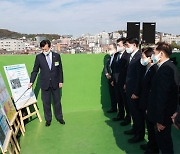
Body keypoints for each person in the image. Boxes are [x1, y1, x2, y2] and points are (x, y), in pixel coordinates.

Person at [147, 42, 179, 154]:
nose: (152, 55)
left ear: (161, 54)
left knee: (165, 144)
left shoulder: (166, 69)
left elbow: (163, 96)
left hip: (163, 117)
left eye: (154, 52)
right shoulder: (167, 67)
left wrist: (160, 120)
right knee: (163, 142)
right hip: (164, 115)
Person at [28, 40, 65, 127]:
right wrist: (31, 81)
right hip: (45, 84)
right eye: (42, 49)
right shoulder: (39, 57)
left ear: (49, 47)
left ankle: (60, 118)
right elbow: (35, 70)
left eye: (45, 49)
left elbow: (60, 70)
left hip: (55, 83)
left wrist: (61, 81)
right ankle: (48, 119)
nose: (44, 51)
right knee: (46, 103)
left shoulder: (57, 56)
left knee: (57, 102)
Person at [123, 38, 146, 143]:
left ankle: (139, 135)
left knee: (137, 114)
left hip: (135, 92)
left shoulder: (139, 57)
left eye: (128, 45)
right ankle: (135, 129)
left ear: (135, 45)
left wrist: (136, 92)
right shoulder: (131, 56)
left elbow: (139, 77)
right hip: (129, 88)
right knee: (133, 112)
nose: (126, 48)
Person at [138, 47, 158, 152]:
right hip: (145, 102)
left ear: (150, 58)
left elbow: (152, 90)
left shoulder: (154, 70)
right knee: (149, 126)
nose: (142, 59)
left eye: (143, 57)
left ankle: (153, 148)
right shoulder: (148, 68)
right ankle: (150, 144)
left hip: (149, 104)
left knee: (151, 127)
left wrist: (149, 106)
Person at [111, 37, 131, 123]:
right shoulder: (116, 55)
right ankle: (120, 115)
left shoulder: (128, 55)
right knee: (119, 99)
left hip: (123, 82)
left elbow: (127, 71)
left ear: (124, 45)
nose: (118, 47)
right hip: (116, 82)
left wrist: (126, 83)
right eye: (117, 45)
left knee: (125, 101)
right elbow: (113, 68)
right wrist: (113, 79)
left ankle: (128, 118)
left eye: (119, 45)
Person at [104, 43, 117, 113]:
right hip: (110, 78)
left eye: (110, 49)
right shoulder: (109, 58)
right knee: (112, 94)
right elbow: (106, 66)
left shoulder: (117, 57)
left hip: (116, 79)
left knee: (117, 95)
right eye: (109, 49)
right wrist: (106, 73)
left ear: (115, 49)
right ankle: (113, 108)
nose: (109, 51)